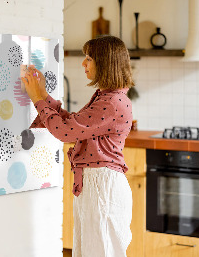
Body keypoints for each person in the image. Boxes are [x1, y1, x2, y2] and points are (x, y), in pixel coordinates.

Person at [21, 35, 134, 257]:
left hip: (102, 186)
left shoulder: (111, 102)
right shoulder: (107, 97)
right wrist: (43, 94)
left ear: (105, 63)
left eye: (89, 58)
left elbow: (65, 132)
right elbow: (72, 124)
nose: (83, 63)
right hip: (96, 184)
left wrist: (37, 98)